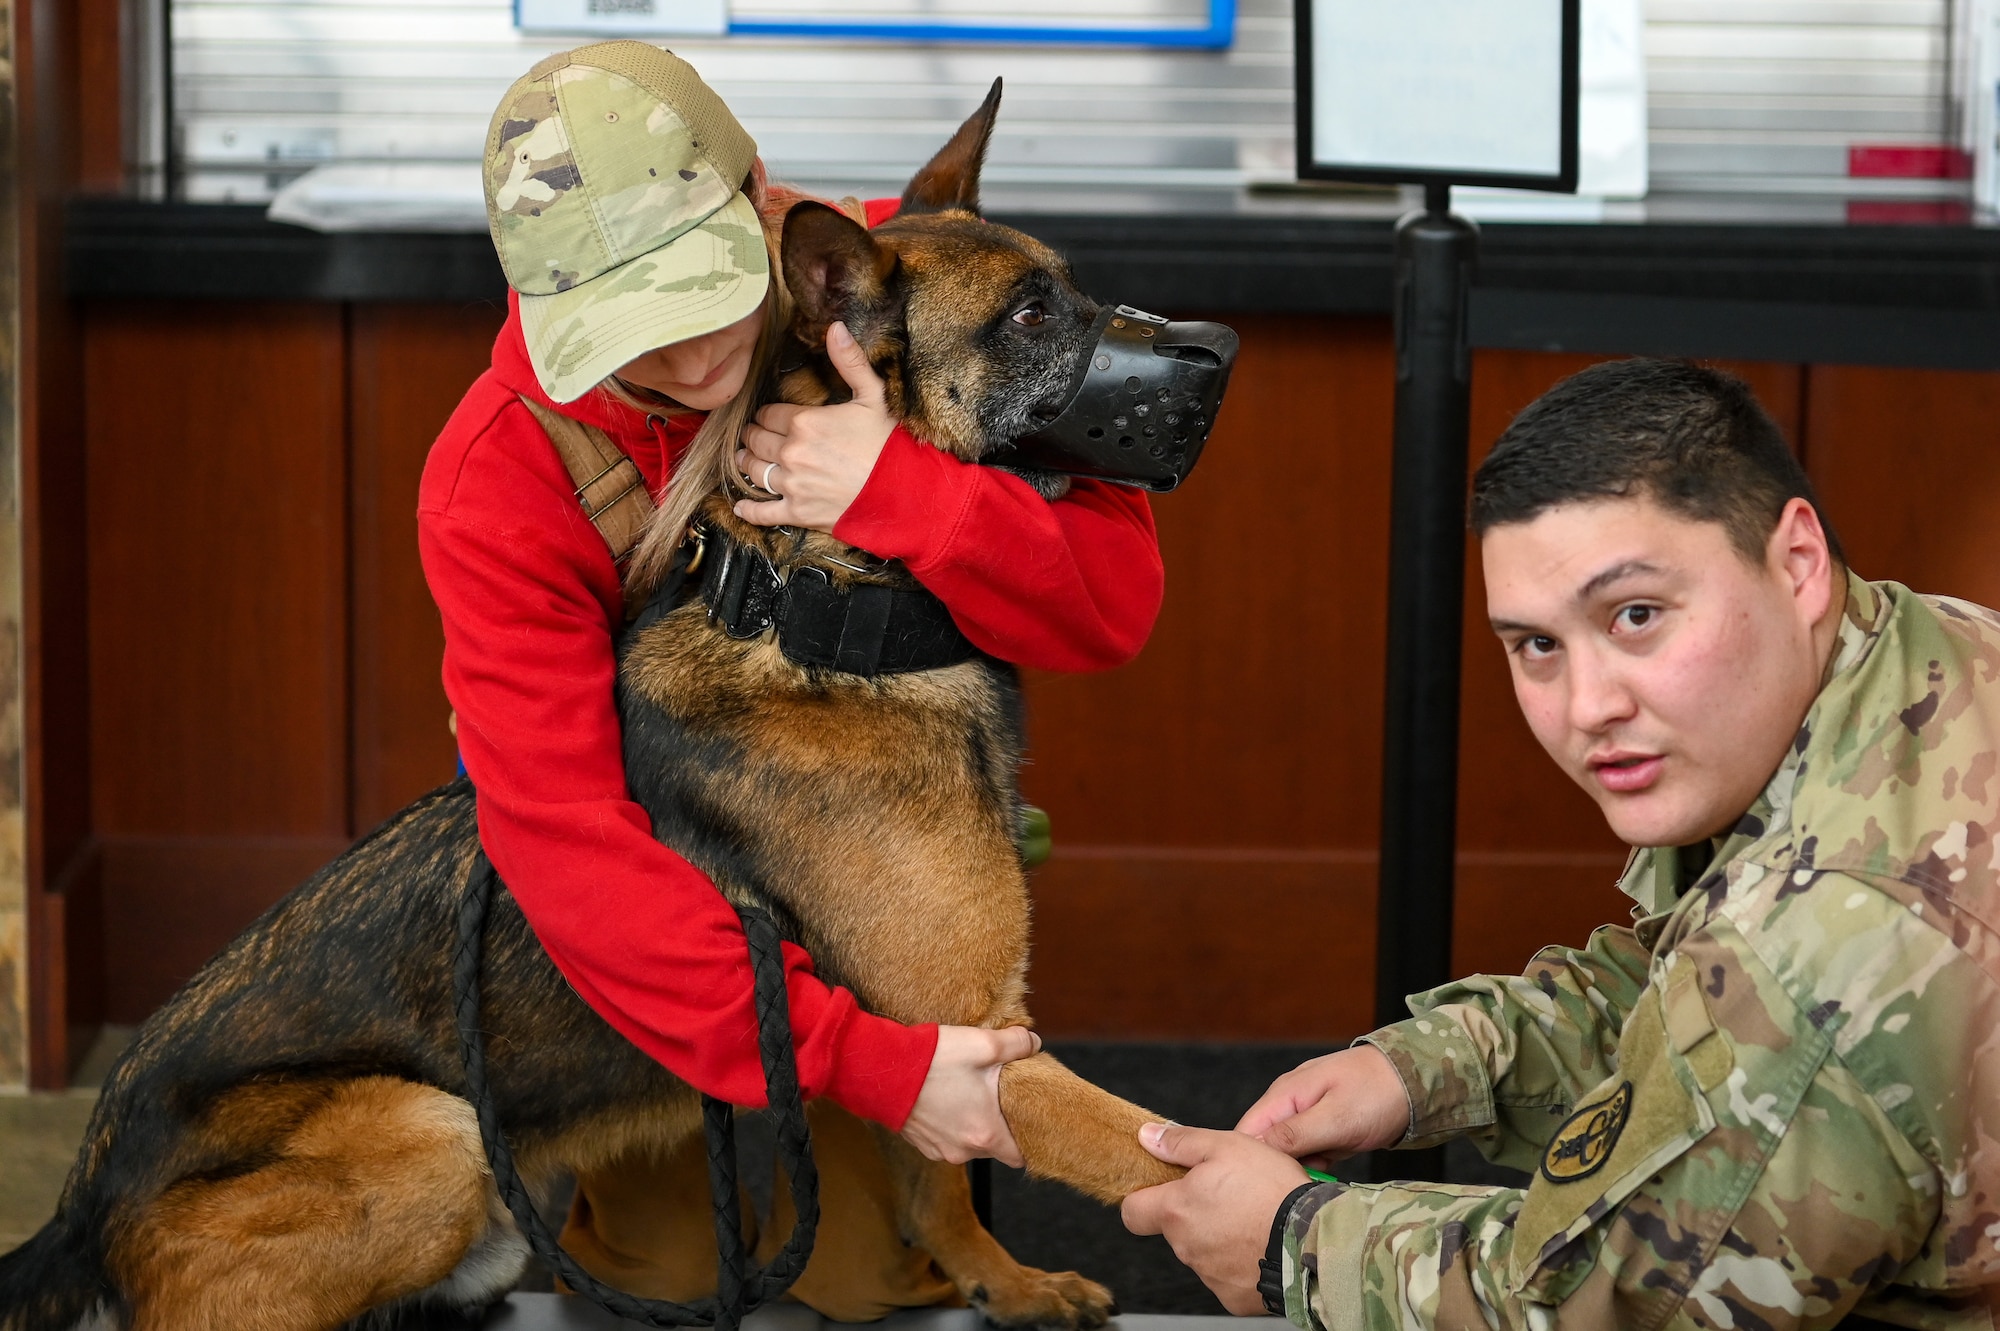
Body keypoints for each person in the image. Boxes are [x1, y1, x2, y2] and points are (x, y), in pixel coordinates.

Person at [419, 41, 1164, 1313]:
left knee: (870, 1283)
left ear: (757, 199)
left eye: (700, 295)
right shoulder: (496, 469)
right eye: (628, 324)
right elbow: (564, 842)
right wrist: (849, 1058)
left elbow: (1110, 603)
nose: (686, 356)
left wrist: (897, 488)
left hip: (865, 831)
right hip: (659, 864)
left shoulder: (898, 277)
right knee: (664, 1274)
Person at [1121, 359, 2000, 1329]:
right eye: (1536, 644)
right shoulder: (1925, 651)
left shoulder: (1830, 935)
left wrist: (1293, 1243)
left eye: (1634, 615)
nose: (1588, 707)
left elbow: (1607, 1304)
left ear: (1794, 560)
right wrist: (1440, 1062)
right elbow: (1695, 995)